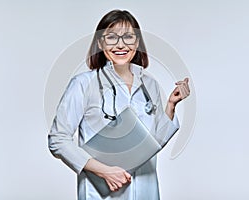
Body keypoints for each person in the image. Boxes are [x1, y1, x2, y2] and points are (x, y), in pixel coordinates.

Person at [48, 9, 190, 200]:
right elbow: (58, 139)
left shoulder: (150, 85)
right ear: (100, 43)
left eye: (128, 37)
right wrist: (104, 171)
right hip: (101, 192)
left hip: (146, 190)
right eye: (112, 37)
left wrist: (171, 105)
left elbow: (153, 142)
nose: (120, 44)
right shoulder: (83, 84)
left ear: (137, 42)